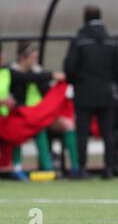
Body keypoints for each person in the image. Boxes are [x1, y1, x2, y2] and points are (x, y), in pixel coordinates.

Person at [64, 5, 118, 179]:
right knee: (108, 133)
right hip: (106, 93)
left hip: (84, 94)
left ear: (85, 18)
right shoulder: (111, 41)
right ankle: (108, 168)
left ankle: (82, 169)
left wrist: (75, 82)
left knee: (82, 133)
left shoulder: (78, 41)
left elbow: (69, 67)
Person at [10, 41, 80, 179]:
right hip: (20, 115)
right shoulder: (12, 71)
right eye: (33, 58)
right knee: (29, 128)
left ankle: (75, 168)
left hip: (40, 114)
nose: (35, 61)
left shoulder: (37, 71)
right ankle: (23, 169)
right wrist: (51, 75)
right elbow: (26, 78)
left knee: (68, 124)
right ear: (23, 57)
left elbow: (48, 93)